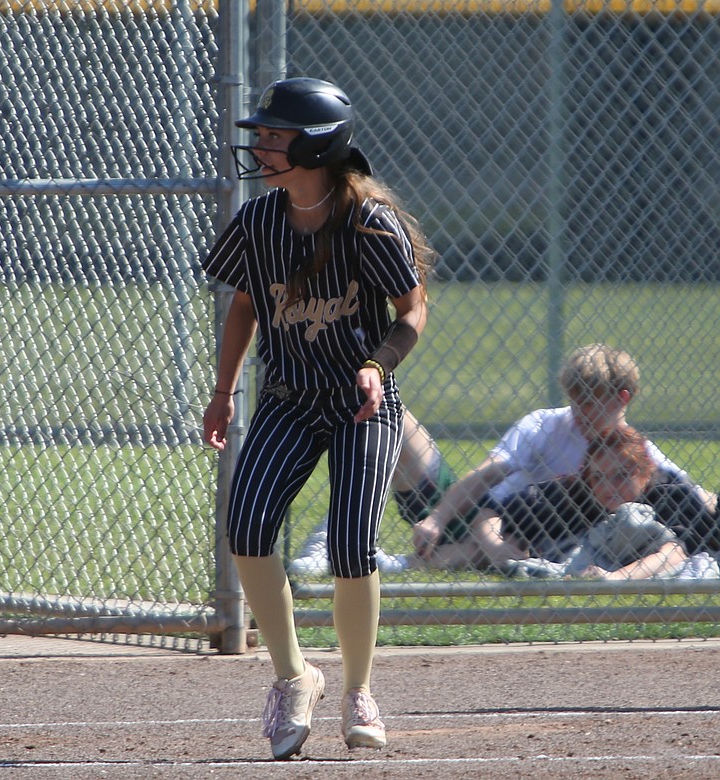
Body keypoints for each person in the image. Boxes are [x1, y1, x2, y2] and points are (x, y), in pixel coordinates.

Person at [201, 77, 434, 758]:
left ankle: (359, 689)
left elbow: (412, 312)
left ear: (318, 145)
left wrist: (378, 364)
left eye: (276, 136)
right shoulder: (259, 220)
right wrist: (223, 391)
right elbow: (244, 306)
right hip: (290, 399)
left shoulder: (368, 221)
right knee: (246, 529)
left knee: (352, 543)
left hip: (361, 403)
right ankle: (295, 677)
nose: (262, 146)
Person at [410, 343, 713, 570]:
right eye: (574, 401)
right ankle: (399, 566)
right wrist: (438, 521)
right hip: (508, 522)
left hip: (567, 540)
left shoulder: (631, 449)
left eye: (590, 403)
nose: (579, 412)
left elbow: (685, 489)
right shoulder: (543, 425)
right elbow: (484, 481)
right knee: (474, 551)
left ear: (622, 399)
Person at [478, 426, 694, 578]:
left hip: (623, 566)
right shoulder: (570, 492)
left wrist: (615, 578)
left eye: (621, 475)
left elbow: (675, 553)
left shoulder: (666, 492)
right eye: (599, 477)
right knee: (472, 552)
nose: (609, 487)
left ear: (646, 473)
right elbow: (491, 512)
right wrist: (495, 546)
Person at [287, 408, 458, 576]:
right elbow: (480, 475)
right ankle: (330, 538)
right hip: (445, 496)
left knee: (370, 404)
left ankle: (336, 543)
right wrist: (438, 518)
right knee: (370, 399)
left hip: (448, 522)